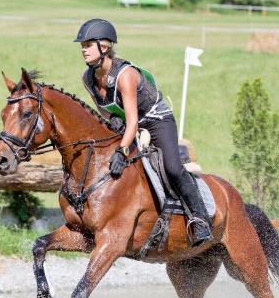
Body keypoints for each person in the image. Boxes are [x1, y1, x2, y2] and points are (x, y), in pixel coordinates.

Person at [74, 18, 213, 247]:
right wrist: (112, 120)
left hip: (156, 120)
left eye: (88, 44)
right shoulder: (88, 78)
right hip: (129, 121)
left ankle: (200, 220)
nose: (83, 49)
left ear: (105, 47)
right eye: (82, 45)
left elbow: (133, 120)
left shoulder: (125, 74)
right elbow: (103, 108)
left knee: (172, 168)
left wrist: (122, 150)